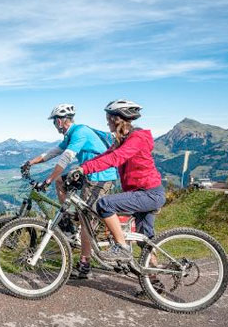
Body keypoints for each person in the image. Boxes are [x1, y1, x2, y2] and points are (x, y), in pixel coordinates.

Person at [22, 103, 118, 279]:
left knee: (85, 220)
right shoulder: (71, 134)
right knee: (61, 181)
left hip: (100, 177)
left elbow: (66, 157)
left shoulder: (80, 132)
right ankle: (66, 223)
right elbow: (53, 152)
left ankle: (84, 265)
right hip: (88, 173)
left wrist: (48, 179)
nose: (54, 126)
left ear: (59, 121)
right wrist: (31, 162)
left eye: (54, 122)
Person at [71, 99, 166, 263]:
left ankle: (121, 247)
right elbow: (107, 156)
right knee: (145, 242)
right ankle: (154, 282)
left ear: (116, 119)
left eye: (108, 119)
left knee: (104, 204)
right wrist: (83, 168)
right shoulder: (124, 140)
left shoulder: (137, 138)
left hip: (148, 193)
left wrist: (84, 169)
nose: (107, 122)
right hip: (142, 193)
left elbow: (116, 158)